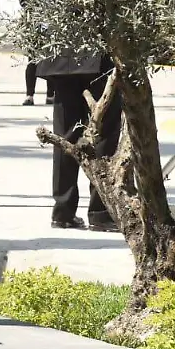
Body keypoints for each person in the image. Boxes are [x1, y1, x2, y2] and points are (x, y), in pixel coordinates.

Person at [35, 53, 120, 232]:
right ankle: (100, 211)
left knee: (65, 136)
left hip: (62, 61)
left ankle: (63, 211)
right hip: (99, 59)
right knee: (103, 132)